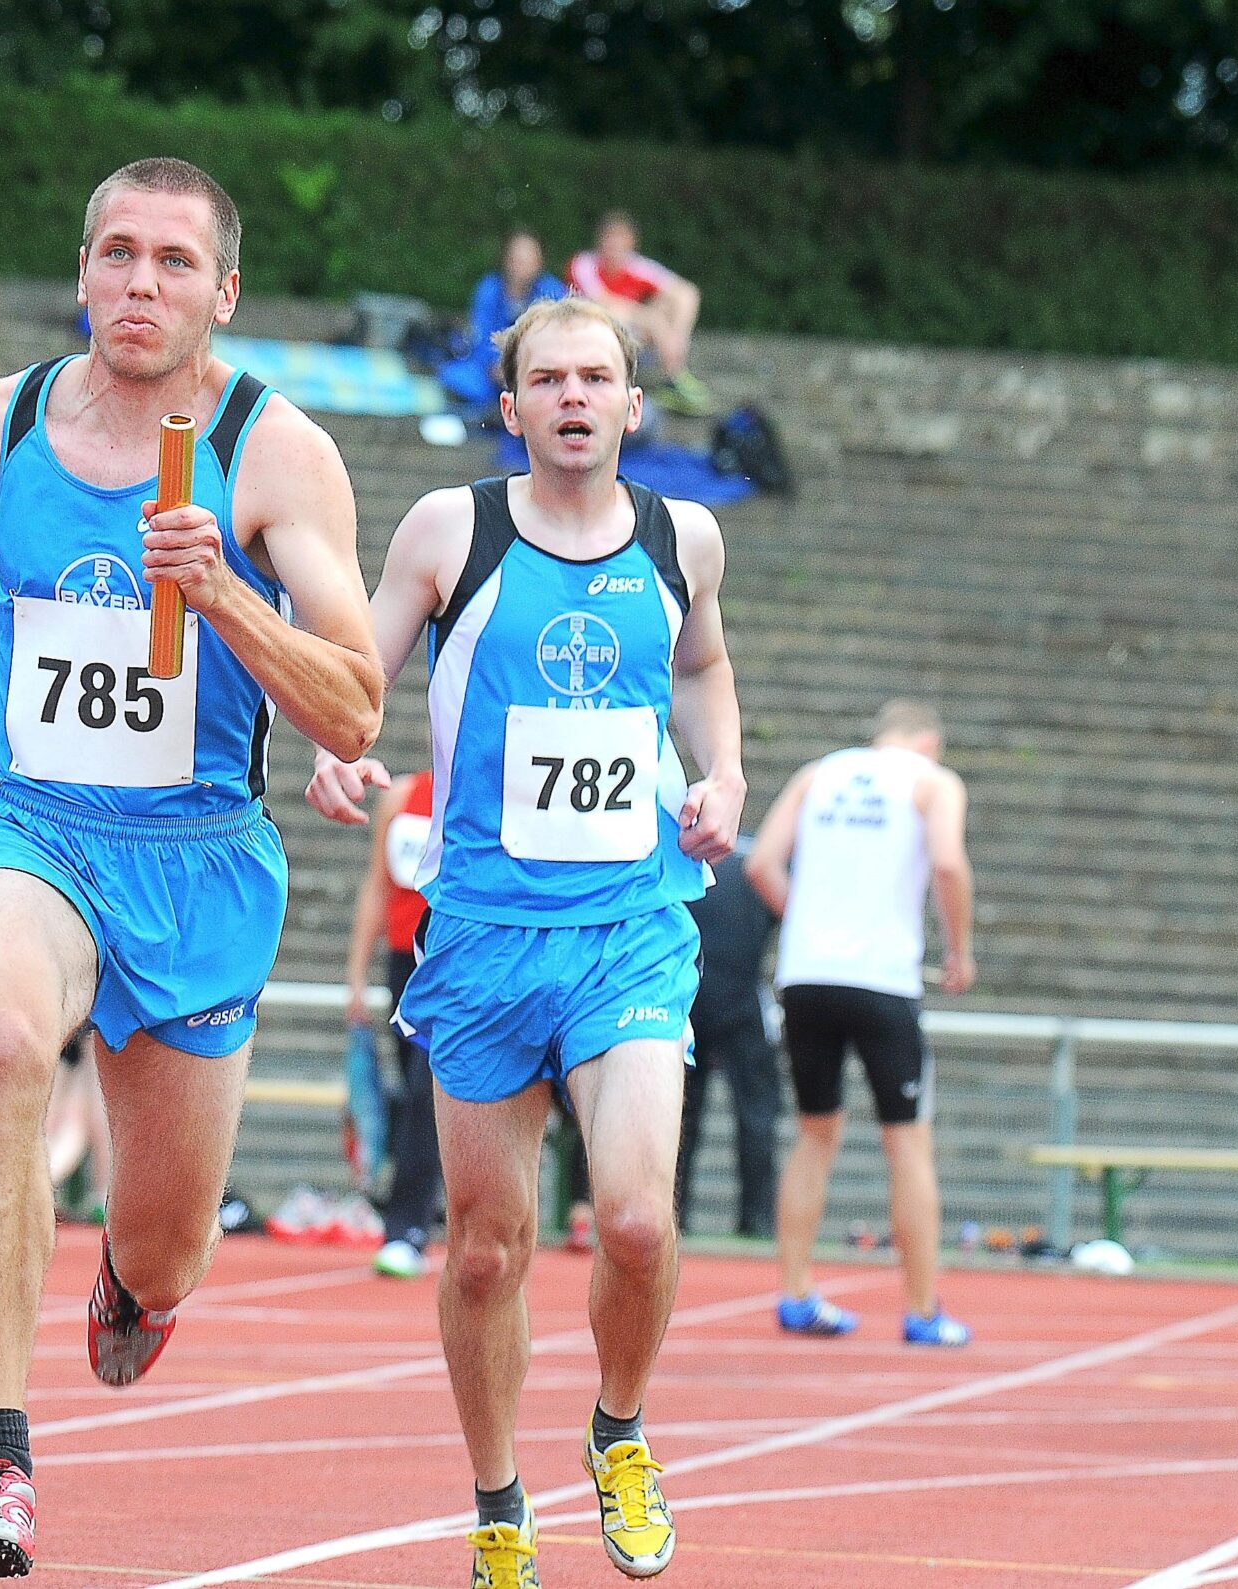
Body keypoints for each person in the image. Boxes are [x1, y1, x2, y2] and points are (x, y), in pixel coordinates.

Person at [0, 157, 382, 1579]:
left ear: (224, 292)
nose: (138, 284)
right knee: (1, 1038)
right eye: (116, 253)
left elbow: (351, 704)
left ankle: (129, 1281)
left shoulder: (279, 454)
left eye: (173, 261)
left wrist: (223, 591)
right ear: (80, 270)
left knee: (165, 1246)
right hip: (19, 819)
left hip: (197, 857)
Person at [306, 294, 742, 1586]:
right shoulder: (456, 528)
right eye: (545, 377)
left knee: (639, 1221)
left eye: (594, 377)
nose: (570, 396)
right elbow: (358, 672)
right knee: (487, 1249)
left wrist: (722, 777)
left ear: (631, 401)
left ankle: (618, 1428)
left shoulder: (686, 538)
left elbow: (707, 670)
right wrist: (340, 751)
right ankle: (499, 1500)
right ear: (511, 407)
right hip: (486, 937)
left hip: (631, 928)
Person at [748, 700, 975, 1348]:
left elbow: (762, 863)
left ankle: (794, 1294)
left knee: (815, 1133)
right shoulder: (933, 782)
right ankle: (922, 1307)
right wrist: (959, 949)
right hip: (882, 977)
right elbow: (950, 863)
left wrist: (813, 925)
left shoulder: (818, 773)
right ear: (928, 740)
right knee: (906, 1142)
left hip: (808, 974)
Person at [342, 767, 446, 1278]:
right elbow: (375, 887)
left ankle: (407, 1226)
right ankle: (427, 1197)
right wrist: (356, 976)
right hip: (404, 960)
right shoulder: (402, 796)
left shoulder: (487, 787)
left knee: (428, 1092)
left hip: (453, 956)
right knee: (411, 1090)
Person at [677, 835, 780, 1238]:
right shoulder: (757, 868)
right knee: (757, 1115)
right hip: (742, 1001)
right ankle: (756, 1219)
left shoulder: (682, 864)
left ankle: (674, 1215)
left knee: (681, 1117)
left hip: (689, 999)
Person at [566, 212, 712, 416]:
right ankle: (673, 376)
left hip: (638, 338)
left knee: (676, 300)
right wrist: (654, 322)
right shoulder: (584, 264)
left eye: (620, 239)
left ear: (631, 243)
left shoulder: (637, 266)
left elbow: (686, 293)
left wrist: (674, 337)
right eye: (610, 238)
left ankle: (673, 369)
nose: (614, 246)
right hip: (589, 338)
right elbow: (601, 302)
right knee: (616, 314)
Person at [439, 231, 568, 410]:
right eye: (516, 259)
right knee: (454, 376)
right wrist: (498, 365)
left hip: (539, 371)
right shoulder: (489, 289)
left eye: (527, 260)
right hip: (491, 371)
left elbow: (560, 339)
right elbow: (481, 335)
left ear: (538, 262)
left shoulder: (552, 291)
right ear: (506, 260)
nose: (521, 266)